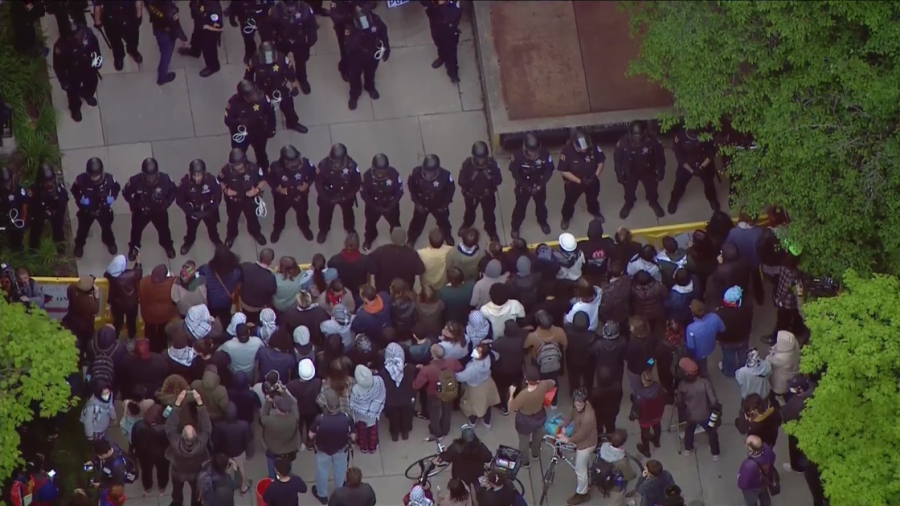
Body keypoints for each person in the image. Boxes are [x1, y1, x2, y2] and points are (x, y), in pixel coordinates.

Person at [245, 41, 310, 135]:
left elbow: (290, 72)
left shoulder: (282, 58)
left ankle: (292, 123)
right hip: (262, 90)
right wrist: (251, 93)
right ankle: (269, 127)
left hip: (280, 87)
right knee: (264, 111)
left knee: (289, 107)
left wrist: (294, 86)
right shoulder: (255, 61)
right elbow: (248, 76)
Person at [121, 157, 175, 259]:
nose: (151, 179)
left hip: (159, 210)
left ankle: (167, 245)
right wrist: (134, 204)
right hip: (141, 211)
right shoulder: (135, 181)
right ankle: (134, 246)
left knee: (164, 230)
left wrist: (167, 202)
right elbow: (126, 192)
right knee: (136, 230)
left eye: (153, 176)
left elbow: (173, 191)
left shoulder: (165, 179)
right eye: (148, 176)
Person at [52, 15, 102, 122]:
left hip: (88, 67)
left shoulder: (89, 36)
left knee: (92, 83)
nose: (78, 36)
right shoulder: (61, 46)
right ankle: (75, 109)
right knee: (72, 92)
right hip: (72, 72)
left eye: (78, 33)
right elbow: (58, 66)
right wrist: (63, 80)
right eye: (75, 35)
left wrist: (97, 63)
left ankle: (87, 94)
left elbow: (96, 50)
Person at [166, 390, 212, 506]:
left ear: (182, 435)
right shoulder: (201, 444)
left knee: (177, 490)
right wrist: (200, 403)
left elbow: (170, 426)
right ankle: (195, 504)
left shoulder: (175, 443)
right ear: (196, 434)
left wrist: (177, 403)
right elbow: (206, 426)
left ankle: (177, 503)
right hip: (194, 472)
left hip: (178, 472)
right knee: (196, 490)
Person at [310, 390, 355, 504]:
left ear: (327, 405)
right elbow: (353, 436)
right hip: (341, 449)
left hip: (322, 450)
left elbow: (311, 435)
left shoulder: (320, 419)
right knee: (340, 471)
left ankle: (322, 495)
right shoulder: (347, 418)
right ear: (339, 404)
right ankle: (339, 491)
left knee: (322, 471)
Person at [614, 120, 666, 219]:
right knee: (629, 190)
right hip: (631, 171)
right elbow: (617, 159)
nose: (636, 141)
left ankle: (653, 201)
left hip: (648, 170)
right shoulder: (623, 141)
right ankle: (629, 203)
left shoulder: (653, 140)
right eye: (634, 138)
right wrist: (619, 174)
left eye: (638, 138)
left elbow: (660, 157)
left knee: (652, 189)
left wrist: (661, 170)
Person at [557, 128, 606, 229]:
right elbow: (563, 170)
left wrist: (595, 176)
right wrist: (579, 180)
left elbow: (601, 161)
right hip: (574, 183)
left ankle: (594, 211)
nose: (584, 150)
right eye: (581, 148)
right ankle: (566, 217)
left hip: (592, 180)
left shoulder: (593, 147)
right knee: (569, 202)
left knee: (593, 199)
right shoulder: (567, 151)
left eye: (585, 147)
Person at [71, 157, 120, 257]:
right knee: (82, 230)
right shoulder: (81, 180)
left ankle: (109, 242)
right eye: (93, 176)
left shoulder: (109, 179)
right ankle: (79, 245)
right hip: (87, 211)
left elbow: (116, 188)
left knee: (107, 228)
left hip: (103, 210)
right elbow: (74, 191)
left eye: (97, 176)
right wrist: (80, 200)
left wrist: (112, 198)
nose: (95, 178)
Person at [219, 147, 267, 247]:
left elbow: (263, 181)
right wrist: (226, 190)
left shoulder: (254, 169)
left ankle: (256, 233)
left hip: (249, 200)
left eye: (239, 165)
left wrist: (257, 190)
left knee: (253, 218)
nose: (237, 168)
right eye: (235, 165)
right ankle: (231, 236)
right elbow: (220, 181)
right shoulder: (226, 169)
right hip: (233, 201)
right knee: (232, 219)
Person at [556, 387, 597, 505]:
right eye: (576, 403)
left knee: (580, 469)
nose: (578, 406)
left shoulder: (588, 416)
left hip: (587, 443)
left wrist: (567, 439)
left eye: (580, 404)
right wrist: (564, 426)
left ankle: (582, 494)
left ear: (585, 402)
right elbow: (570, 414)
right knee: (583, 465)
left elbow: (582, 434)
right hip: (580, 437)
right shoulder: (575, 406)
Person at [413, 344, 463, 441]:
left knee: (434, 413)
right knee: (447, 410)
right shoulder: (452, 361)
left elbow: (416, 385)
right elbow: (460, 369)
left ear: (432, 355)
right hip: (449, 391)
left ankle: (436, 432)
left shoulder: (427, 369)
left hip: (433, 394)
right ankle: (445, 429)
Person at [267, 145, 316, 243]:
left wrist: (307, 184)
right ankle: (278, 229)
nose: (296, 164)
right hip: (282, 197)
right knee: (279, 214)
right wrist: (277, 188)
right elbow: (269, 178)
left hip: (300, 195)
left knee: (303, 213)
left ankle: (304, 227)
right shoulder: (275, 167)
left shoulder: (306, 163)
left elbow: (313, 173)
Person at [345, 5, 390, 110]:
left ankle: (369, 86)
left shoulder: (376, 20)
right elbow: (348, 44)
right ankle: (354, 94)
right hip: (357, 54)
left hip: (373, 51)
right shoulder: (350, 25)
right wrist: (360, 34)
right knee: (355, 75)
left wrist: (387, 47)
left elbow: (383, 31)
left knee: (371, 72)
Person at [508, 132, 554, 237]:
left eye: (534, 151)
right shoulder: (518, 156)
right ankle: (515, 227)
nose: (532, 154)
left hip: (539, 184)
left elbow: (549, 171)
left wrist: (540, 185)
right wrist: (525, 186)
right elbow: (515, 173)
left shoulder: (544, 154)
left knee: (541, 206)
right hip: (523, 186)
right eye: (530, 151)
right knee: (520, 208)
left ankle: (543, 222)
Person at [507, 366, 554, 467]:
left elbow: (510, 408)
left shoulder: (523, 395)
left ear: (526, 379)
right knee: (537, 438)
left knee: (524, 442)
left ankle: (525, 462)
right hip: (540, 416)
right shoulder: (544, 385)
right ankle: (535, 455)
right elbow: (552, 382)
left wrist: (511, 394)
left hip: (524, 420)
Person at [315, 143, 361, 243]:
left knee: (348, 213)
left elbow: (356, 184)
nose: (336, 165)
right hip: (328, 195)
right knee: (324, 214)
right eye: (334, 162)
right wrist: (327, 198)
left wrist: (346, 197)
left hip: (345, 195)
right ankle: (324, 230)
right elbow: (318, 184)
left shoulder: (352, 166)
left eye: (338, 162)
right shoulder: (323, 165)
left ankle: (349, 228)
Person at [676, 358, 720, 459]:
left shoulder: (682, 385)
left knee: (689, 430)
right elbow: (713, 400)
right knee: (711, 432)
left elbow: (679, 401)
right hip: (705, 414)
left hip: (690, 415)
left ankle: (688, 448)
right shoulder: (704, 382)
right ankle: (715, 453)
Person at [174, 158, 222, 254]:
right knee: (191, 230)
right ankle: (189, 242)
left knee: (212, 228)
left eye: (199, 175)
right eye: (195, 175)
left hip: (208, 211)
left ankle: (216, 240)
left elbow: (218, 196)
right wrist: (190, 211)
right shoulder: (185, 183)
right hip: (193, 212)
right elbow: (179, 200)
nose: (197, 178)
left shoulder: (211, 180)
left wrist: (209, 210)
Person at [407, 154, 456, 247]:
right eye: (426, 172)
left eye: (431, 173)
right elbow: (411, 186)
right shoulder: (416, 172)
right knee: (416, 223)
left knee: (444, 222)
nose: (428, 175)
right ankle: (411, 238)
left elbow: (450, 190)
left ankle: (447, 236)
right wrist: (416, 202)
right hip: (422, 203)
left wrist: (444, 205)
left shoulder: (445, 176)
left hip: (439, 205)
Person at [458, 141, 502, 241]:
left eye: (483, 158)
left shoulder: (492, 164)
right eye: (479, 158)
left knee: (489, 215)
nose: (481, 161)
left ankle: (491, 231)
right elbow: (461, 181)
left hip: (487, 195)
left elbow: (499, 180)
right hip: (471, 194)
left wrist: (490, 177)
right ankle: (467, 224)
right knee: (469, 212)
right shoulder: (467, 164)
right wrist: (471, 179)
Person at [668, 127, 718, 213]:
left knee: (709, 183)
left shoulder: (706, 135)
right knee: (679, 183)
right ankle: (674, 199)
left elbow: (711, 153)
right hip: (687, 165)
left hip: (704, 164)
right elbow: (679, 156)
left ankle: (711, 198)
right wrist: (691, 170)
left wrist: (701, 167)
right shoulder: (680, 136)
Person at [359, 153, 403, 249]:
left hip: (390, 206)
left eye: (382, 171)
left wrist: (391, 206)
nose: (380, 174)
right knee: (370, 224)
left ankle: (397, 239)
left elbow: (399, 192)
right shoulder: (367, 177)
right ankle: (370, 238)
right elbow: (363, 194)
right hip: (373, 206)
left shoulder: (394, 174)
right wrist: (374, 206)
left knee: (395, 224)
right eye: (378, 171)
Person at [211, 402, 254, 494]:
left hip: (225, 453)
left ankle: (229, 488)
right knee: (242, 469)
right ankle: (243, 487)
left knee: (226, 472)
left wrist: (216, 453)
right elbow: (248, 441)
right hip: (239, 452)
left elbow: (215, 441)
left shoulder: (218, 425)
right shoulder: (244, 425)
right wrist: (249, 454)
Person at [527, 310, 567, 407]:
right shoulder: (559, 332)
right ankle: (554, 402)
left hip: (538, 362)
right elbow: (565, 345)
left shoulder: (532, 336)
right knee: (553, 381)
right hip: (554, 362)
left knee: (539, 381)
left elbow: (525, 346)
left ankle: (541, 401)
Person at [726, 211, 766, 305]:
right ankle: (759, 298)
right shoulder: (759, 232)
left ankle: (743, 298)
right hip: (754, 262)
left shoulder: (733, 232)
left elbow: (728, 246)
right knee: (757, 280)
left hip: (740, 262)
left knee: (743, 281)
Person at [457, 342, 500, 428]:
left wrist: (454, 374)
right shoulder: (488, 358)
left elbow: (461, 377)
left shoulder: (472, 369)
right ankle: (487, 421)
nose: (475, 351)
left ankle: (473, 421)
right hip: (487, 382)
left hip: (474, 387)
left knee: (472, 406)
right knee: (487, 403)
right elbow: (497, 355)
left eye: (478, 351)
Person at [261, 387, 301, 479]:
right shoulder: (294, 418)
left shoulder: (270, 421)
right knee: (288, 466)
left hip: (274, 449)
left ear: (278, 409)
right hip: (289, 449)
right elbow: (293, 404)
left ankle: (272, 479)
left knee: (271, 465)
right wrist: (284, 393)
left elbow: (263, 417)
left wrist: (268, 402)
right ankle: (287, 477)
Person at [27, 164, 69, 252]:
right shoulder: (35, 189)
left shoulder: (59, 190)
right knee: (36, 228)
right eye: (47, 182)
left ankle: (60, 245)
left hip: (55, 211)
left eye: (51, 181)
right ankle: (33, 247)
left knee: (58, 227)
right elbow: (30, 203)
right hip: (40, 211)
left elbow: (62, 205)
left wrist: (54, 211)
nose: (50, 184)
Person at [131, 405, 170, 495]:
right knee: (163, 470)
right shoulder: (164, 428)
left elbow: (134, 440)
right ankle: (162, 486)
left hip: (144, 455)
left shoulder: (138, 425)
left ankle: (147, 486)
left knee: (146, 471)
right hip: (162, 455)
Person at [439, 424, 492, 490]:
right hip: (476, 474)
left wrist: (441, 454)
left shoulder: (456, 448)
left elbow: (447, 457)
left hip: (459, 475)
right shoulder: (481, 447)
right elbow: (489, 458)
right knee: (476, 487)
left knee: (461, 489)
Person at [92, 0, 142, 70]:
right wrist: (97, 21)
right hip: (111, 17)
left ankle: (133, 50)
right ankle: (119, 56)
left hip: (129, 14)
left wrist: (139, 16)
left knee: (133, 37)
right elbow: (97, 5)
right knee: (115, 41)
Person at [178, 0, 223, 77]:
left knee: (209, 50)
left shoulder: (214, 8)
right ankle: (195, 51)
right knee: (196, 38)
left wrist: (204, 27)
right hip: (200, 23)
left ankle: (213, 66)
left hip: (209, 32)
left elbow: (219, 27)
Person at [146, 0, 186, 84]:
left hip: (157, 29)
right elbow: (176, 27)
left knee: (162, 48)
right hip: (167, 34)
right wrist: (184, 38)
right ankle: (162, 77)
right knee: (166, 56)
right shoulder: (171, 10)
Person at [105, 254, 142, 345]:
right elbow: (138, 273)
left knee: (117, 322)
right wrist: (138, 261)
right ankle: (131, 340)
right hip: (131, 304)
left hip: (116, 304)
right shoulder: (130, 275)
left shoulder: (110, 275)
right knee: (131, 322)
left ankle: (115, 338)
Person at [139, 265, 178, 352]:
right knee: (162, 332)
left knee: (149, 331)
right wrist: (173, 276)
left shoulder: (144, 282)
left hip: (148, 315)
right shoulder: (171, 284)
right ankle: (161, 349)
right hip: (164, 316)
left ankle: (149, 348)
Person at [782, 375, 815, 475]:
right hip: (807, 427)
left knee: (795, 448)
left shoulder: (798, 404)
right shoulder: (811, 393)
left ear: (800, 389)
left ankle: (797, 467)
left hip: (797, 428)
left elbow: (789, 416)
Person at [595, 430, 637, 506]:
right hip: (614, 483)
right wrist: (631, 476)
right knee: (616, 500)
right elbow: (628, 475)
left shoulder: (603, 446)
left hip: (601, 476)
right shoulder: (621, 461)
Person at [350, 365, 386, 453]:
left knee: (362, 433)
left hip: (360, 417)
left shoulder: (355, 389)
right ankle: (372, 447)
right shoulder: (378, 381)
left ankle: (363, 447)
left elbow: (352, 403)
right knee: (373, 432)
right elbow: (383, 393)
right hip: (373, 414)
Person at [423, 0, 462, 82]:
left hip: (448, 29)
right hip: (435, 23)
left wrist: (443, 5)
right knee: (438, 42)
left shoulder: (453, 4)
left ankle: (453, 73)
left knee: (451, 52)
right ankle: (442, 56)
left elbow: (455, 15)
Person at [685, 299, 724, 377]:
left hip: (700, 354)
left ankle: (704, 376)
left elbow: (691, 346)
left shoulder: (691, 328)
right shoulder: (714, 317)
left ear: (693, 313)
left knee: (702, 368)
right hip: (712, 346)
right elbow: (722, 329)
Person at [632, 371, 666, 458]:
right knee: (657, 426)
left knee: (645, 433)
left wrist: (632, 416)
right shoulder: (658, 387)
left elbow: (636, 408)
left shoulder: (639, 393)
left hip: (645, 418)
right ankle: (656, 442)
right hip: (658, 414)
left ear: (643, 380)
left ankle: (646, 450)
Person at [239, 248, 276, 323]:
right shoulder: (271, 278)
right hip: (258, 307)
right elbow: (273, 291)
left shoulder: (245, 266)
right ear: (271, 261)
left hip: (244, 303)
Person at [738, 435, 776, 506]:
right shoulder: (767, 449)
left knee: (751, 502)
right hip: (764, 481)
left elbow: (743, 483)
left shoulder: (748, 465)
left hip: (752, 488)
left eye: (746, 443)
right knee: (765, 497)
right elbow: (773, 457)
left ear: (750, 448)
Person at [766, 331, 800, 402]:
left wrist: (771, 353)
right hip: (793, 374)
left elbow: (768, 360)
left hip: (781, 380)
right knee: (788, 391)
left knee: (778, 395)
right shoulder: (795, 344)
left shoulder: (781, 358)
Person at [686, 229, 718, 301]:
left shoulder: (692, 254)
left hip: (700, 273)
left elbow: (691, 267)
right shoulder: (714, 244)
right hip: (711, 269)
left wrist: (690, 248)